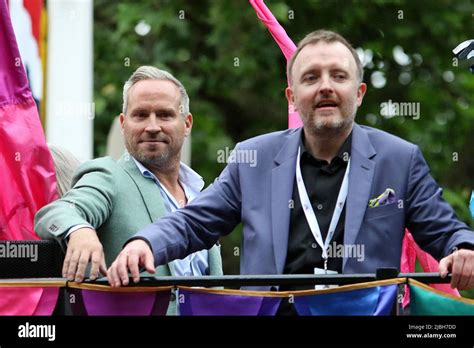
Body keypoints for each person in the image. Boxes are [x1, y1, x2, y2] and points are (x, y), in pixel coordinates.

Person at [108, 31, 474, 296]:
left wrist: (464, 249)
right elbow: (194, 222)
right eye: (311, 78)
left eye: (339, 76)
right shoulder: (252, 159)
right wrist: (146, 243)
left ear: (359, 94)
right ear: (292, 96)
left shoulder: (400, 158)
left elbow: (445, 231)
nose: (325, 87)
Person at [35, 66, 222, 314]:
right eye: (141, 115)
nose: (152, 126)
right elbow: (59, 212)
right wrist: (80, 229)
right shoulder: (108, 176)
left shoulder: (202, 194)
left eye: (165, 115)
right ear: (123, 124)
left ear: (186, 124)